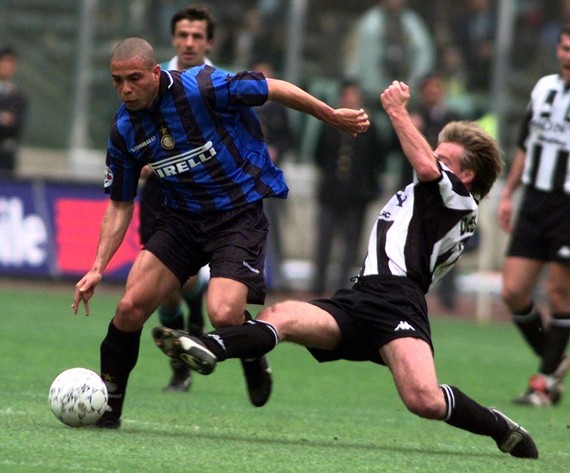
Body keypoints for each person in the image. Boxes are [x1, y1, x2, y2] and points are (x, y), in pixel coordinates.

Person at [152, 81, 539, 460]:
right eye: (436, 153)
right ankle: (209, 346)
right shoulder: (435, 193)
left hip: (398, 303)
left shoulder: (459, 199)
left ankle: (497, 425)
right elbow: (424, 164)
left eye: (445, 158)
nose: (433, 159)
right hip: (362, 295)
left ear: (466, 175)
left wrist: (397, 110)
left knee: (424, 400)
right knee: (281, 316)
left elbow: (423, 163)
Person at [71, 37, 370, 429]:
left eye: (134, 78)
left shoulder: (203, 87)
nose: (125, 89)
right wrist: (97, 267)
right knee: (128, 309)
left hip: (236, 215)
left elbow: (272, 87)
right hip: (180, 221)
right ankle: (109, 409)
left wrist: (330, 115)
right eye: (116, 81)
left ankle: (251, 351)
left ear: (156, 74)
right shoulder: (125, 129)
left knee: (224, 313)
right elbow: (120, 203)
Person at [497, 23, 570, 407]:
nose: (569, 57)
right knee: (513, 290)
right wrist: (508, 193)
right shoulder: (544, 87)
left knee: (558, 292)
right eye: (565, 49)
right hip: (535, 199)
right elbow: (525, 146)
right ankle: (556, 359)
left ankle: (544, 383)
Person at [138, 4, 216, 392]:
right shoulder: (152, 81)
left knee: (180, 275)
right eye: (183, 35)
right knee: (165, 285)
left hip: (205, 193)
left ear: (208, 42)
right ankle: (186, 351)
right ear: (173, 39)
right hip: (160, 193)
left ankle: (187, 356)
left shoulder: (218, 85)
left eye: (197, 36)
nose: (189, 43)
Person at [311, 79, 384, 294]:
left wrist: (367, 187)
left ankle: (342, 286)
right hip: (331, 191)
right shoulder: (329, 124)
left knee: (351, 245)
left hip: (356, 195)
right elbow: (319, 154)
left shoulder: (369, 127)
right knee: (324, 240)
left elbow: (377, 159)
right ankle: (318, 285)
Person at [410, 73, 464, 310]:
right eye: (428, 88)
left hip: (445, 191)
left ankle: (448, 296)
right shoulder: (413, 117)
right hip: (416, 190)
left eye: (436, 87)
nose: (433, 92)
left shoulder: (453, 120)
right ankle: (410, 291)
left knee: (448, 240)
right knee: (411, 241)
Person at [252, 61, 295, 291]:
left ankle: (276, 277)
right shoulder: (242, 104)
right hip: (245, 177)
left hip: (270, 177)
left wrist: (277, 149)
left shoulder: (279, 108)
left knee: (273, 226)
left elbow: (290, 138)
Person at [0, 46, 27, 176]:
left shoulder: (18, 95)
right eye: (4, 61)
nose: (8, 66)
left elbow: (17, 125)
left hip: (5, 158)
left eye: (11, 62)